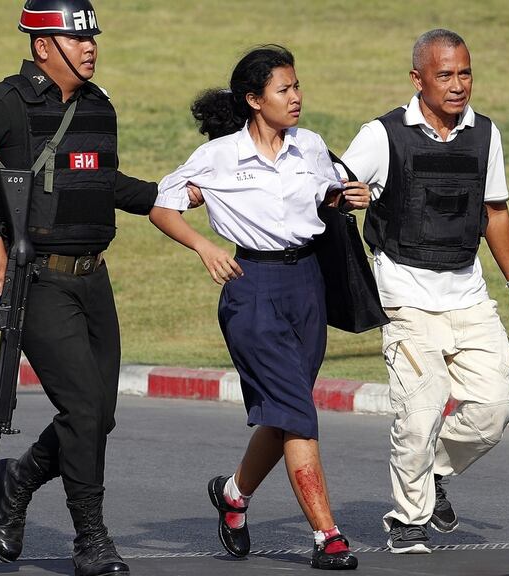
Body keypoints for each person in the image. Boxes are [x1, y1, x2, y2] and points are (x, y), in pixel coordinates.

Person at [0, 2, 159, 575]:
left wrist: (171, 194)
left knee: (98, 416)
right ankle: (91, 538)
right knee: (82, 407)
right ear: (41, 47)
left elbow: (102, 183)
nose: (89, 48)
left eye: (92, 40)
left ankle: (17, 477)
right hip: (34, 282)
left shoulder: (98, 105)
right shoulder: (7, 104)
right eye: (74, 40)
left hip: (93, 279)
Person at [149, 45, 369, 571]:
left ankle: (233, 495)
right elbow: (162, 205)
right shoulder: (218, 157)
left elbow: (323, 197)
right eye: (283, 89)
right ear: (253, 100)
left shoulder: (310, 145)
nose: (296, 97)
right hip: (252, 288)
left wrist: (343, 198)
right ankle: (327, 536)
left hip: (308, 284)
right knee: (298, 412)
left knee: (283, 411)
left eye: (296, 87)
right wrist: (204, 247)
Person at [339, 29, 509, 554]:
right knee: (420, 413)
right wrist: (345, 196)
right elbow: (332, 190)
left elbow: (495, 211)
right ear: (418, 79)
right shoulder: (382, 135)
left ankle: (431, 476)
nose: (458, 85)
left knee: (492, 412)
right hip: (404, 297)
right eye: (445, 75)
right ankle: (407, 519)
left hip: (468, 293)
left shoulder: (485, 133)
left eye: (465, 73)